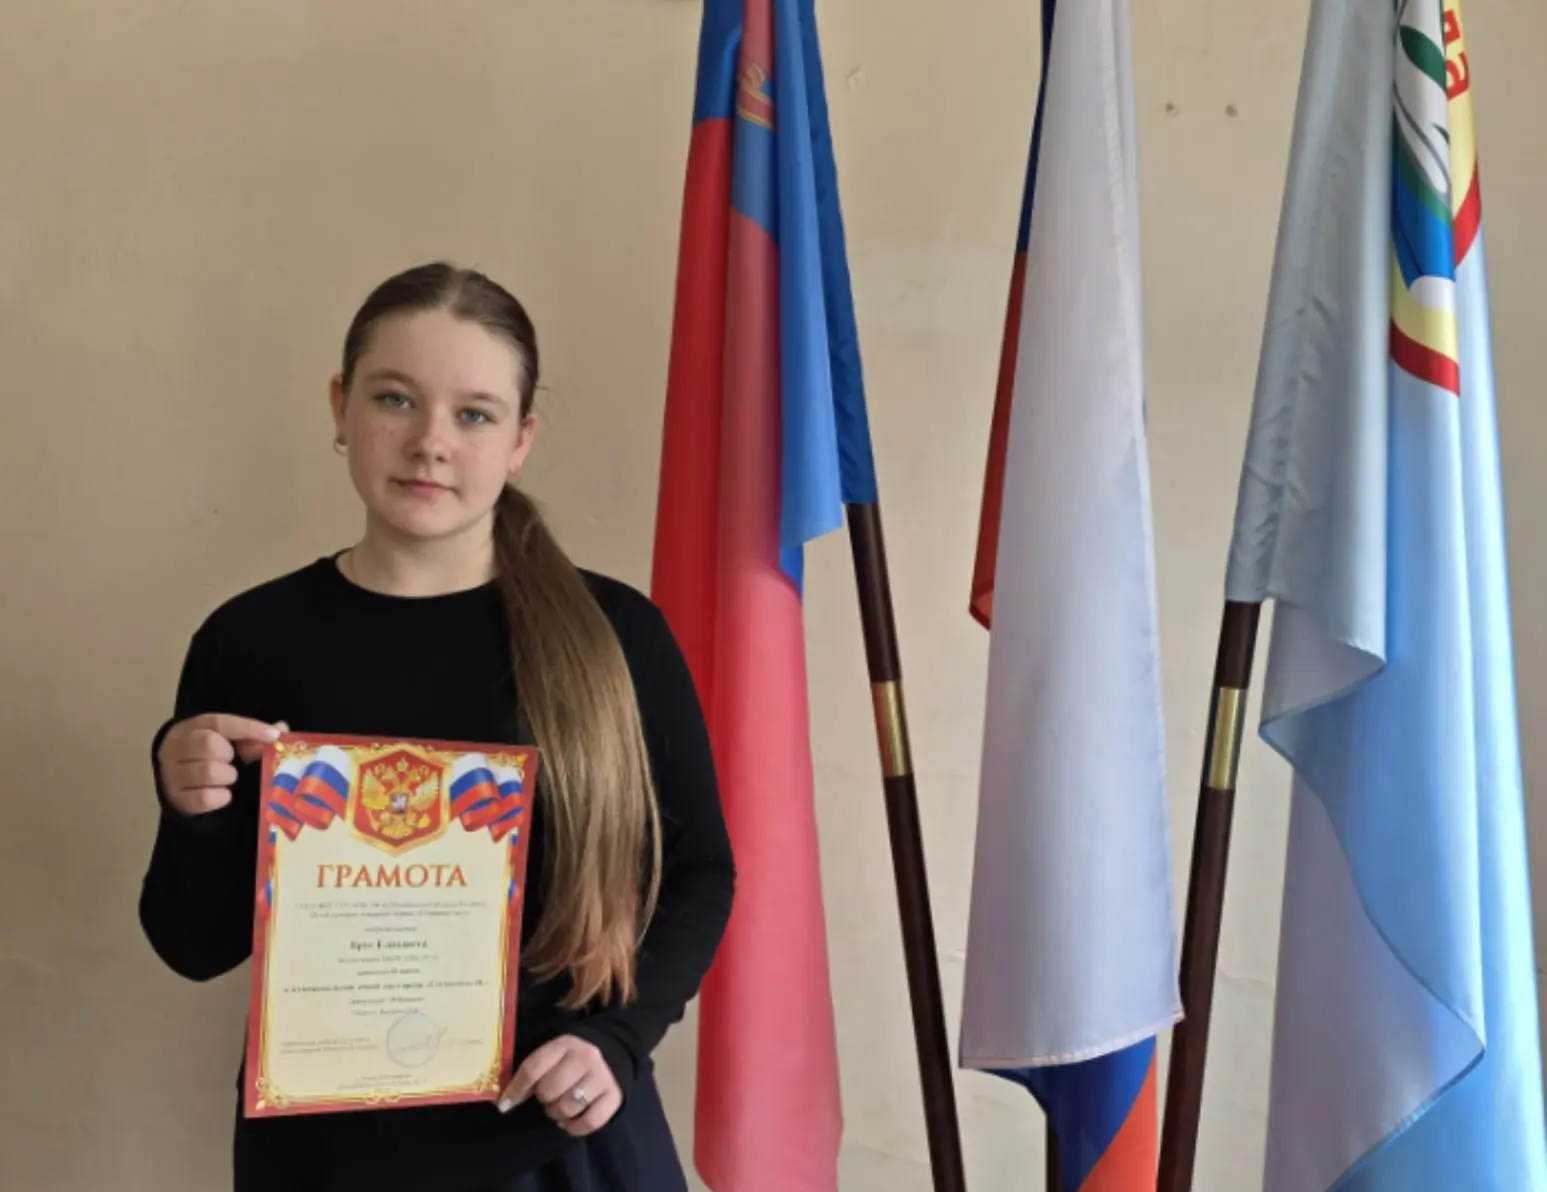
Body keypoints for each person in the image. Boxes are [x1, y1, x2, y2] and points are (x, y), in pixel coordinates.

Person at [138, 263, 736, 1192]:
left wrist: (619, 1038)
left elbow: (699, 874)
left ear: (521, 439)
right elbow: (195, 945)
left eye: (475, 414)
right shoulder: (249, 638)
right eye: (395, 399)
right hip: (325, 1159)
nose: (429, 443)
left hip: (560, 1144)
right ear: (340, 408)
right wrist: (194, 810)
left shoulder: (616, 636)